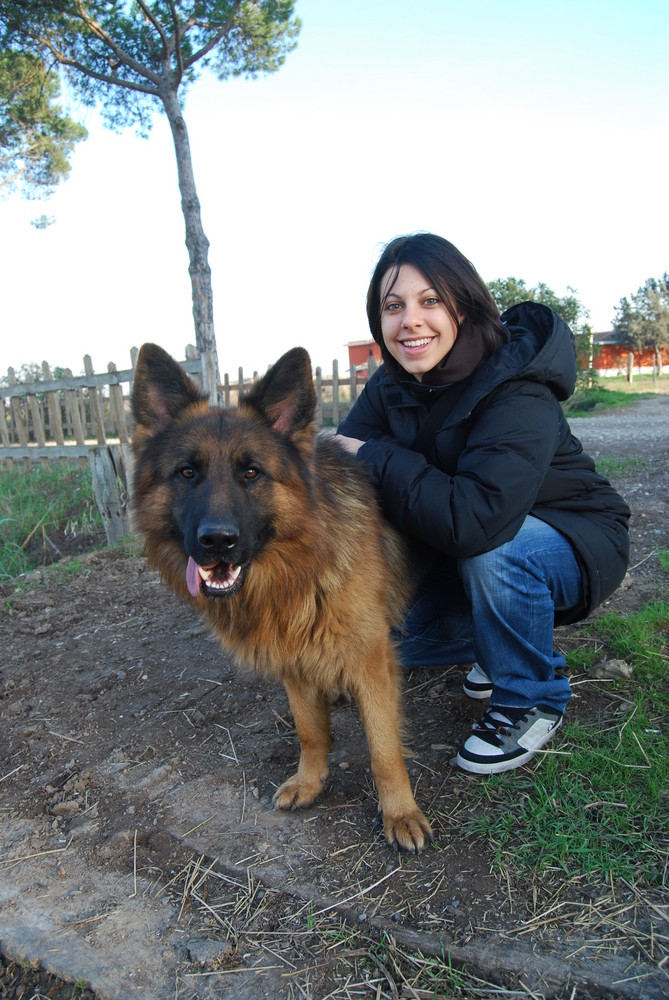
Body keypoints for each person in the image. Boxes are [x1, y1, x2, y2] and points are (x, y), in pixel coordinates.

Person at [336, 233, 630, 775]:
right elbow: (343, 480)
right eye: (393, 306)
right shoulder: (389, 386)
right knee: (385, 632)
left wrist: (375, 456)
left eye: (430, 301)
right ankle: (491, 649)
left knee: (497, 552)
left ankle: (532, 695)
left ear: (464, 305)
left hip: (568, 539)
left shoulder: (517, 385)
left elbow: (477, 520)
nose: (410, 322)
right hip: (460, 544)